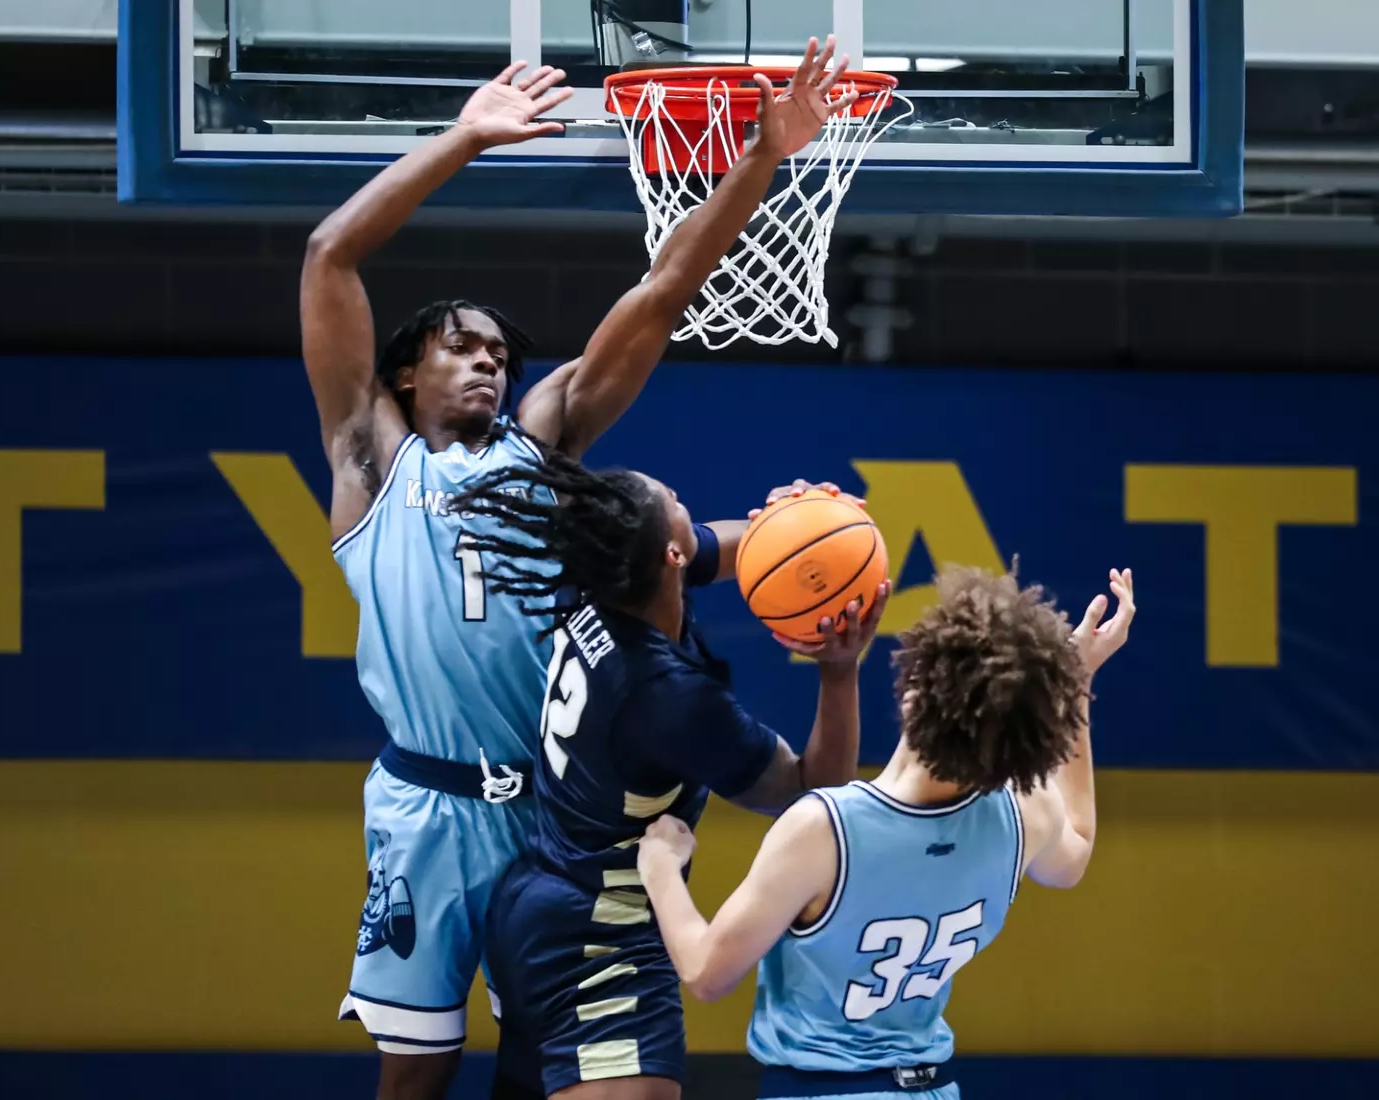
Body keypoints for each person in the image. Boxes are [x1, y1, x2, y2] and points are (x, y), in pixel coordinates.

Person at [300, 36, 863, 1100]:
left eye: (500, 354)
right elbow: (331, 254)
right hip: (426, 804)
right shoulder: (371, 460)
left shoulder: (546, 452)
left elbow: (660, 292)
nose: (488, 361)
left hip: (551, 825)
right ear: (408, 368)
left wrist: (762, 160)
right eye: (461, 346)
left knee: (543, 1071)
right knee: (412, 1073)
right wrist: (465, 138)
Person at [444, 450, 891, 1100]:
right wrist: (839, 671)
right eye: (679, 502)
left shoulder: (595, 578)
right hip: (600, 939)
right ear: (671, 558)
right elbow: (810, 793)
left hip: (537, 906)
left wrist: (803, 520)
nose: (690, 509)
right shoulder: (668, 697)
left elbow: (735, 548)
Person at [635, 566, 1136, 1100]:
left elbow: (709, 973)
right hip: (934, 1089)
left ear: (912, 694)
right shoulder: (1022, 816)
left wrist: (661, 867)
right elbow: (1076, 850)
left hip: (819, 1090)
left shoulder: (824, 828)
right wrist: (1077, 687)